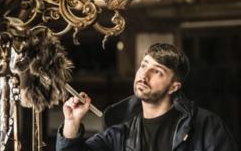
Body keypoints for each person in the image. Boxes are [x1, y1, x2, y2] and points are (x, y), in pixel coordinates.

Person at [56, 43, 238, 151]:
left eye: (157, 71)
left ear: (174, 87)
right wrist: (72, 122)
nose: (144, 75)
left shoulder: (206, 126)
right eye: (143, 65)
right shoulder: (120, 132)